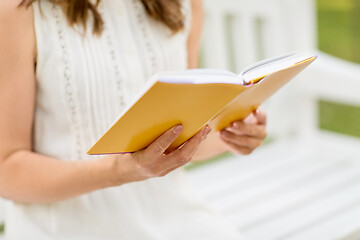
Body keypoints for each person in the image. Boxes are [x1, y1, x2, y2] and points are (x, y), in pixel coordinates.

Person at [0, 0, 267, 239]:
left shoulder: (183, 4)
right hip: (63, 227)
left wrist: (231, 135)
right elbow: (7, 170)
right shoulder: (18, 11)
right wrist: (117, 171)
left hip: (174, 216)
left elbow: (178, 136)